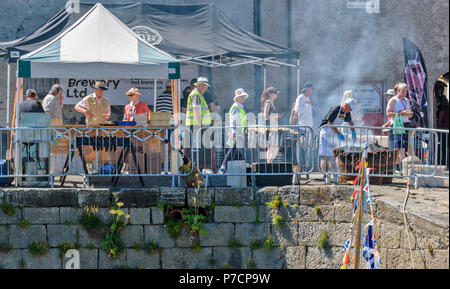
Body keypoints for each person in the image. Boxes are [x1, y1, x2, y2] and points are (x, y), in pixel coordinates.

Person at [319, 93, 357, 181]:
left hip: (333, 133)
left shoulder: (347, 113)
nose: (350, 111)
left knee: (332, 155)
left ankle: (333, 176)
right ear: (346, 105)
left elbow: (351, 123)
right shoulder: (335, 109)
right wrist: (338, 133)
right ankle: (325, 175)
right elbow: (329, 123)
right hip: (325, 131)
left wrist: (353, 132)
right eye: (350, 109)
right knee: (325, 155)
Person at [185, 77, 214, 171]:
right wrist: (199, 125)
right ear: (200, 85)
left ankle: (199, 169)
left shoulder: (198, 94)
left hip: (197, 126)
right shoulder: (196, 95)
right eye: (205, 86)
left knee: (201, 149)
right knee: (200, 149)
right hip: (196, 126)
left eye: (206, 86)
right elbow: (196, 109)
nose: (206, 88)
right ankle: (196, 170)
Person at [218, 88, 249, 173]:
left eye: (244, 97)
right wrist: (234, 131)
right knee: (233, 149)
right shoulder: (236, 107)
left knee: (235, 150)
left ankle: (243, 166)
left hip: (239, 133)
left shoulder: (239, 107)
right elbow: (233, 120)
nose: (243, 98)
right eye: (241, 97)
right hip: (236, 132)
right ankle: (223, 167)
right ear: (237, 98)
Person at [386, 82, 414, 173]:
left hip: (406, 125)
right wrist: (402, 113)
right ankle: (404, 170)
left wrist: (410, 114)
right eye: (403, 91)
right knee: (399, 148)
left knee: (402, 148)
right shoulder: (393, 100)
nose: (405, 93)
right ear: (398, 91)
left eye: (406, 91)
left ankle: (397, 167)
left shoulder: (407, 100)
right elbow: (389, 113)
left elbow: (409, 114)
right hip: (396, 126)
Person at [294, 82, 315, 172]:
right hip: (302, 127)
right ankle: (302, 166)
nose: (313, 91)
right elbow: (297, 110)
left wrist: (312, 125)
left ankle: (307, 166)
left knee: (310, 147)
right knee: (301, 147)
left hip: (309, 127)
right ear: (307, 89)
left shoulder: (308, 98)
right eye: (312, 89)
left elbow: (309, 114)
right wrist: (306, 104)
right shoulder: (301, 98)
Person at [261, 87, 284, 163]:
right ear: (270, 94)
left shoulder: (270, 103)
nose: (276, 94)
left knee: (271, 148)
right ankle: (269, 163)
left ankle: (269, 165)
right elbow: (266, 116)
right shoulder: (268, 103)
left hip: (272, 128)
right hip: (271, 129)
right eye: (275, 93)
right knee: (274, 147)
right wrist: (277, 116)